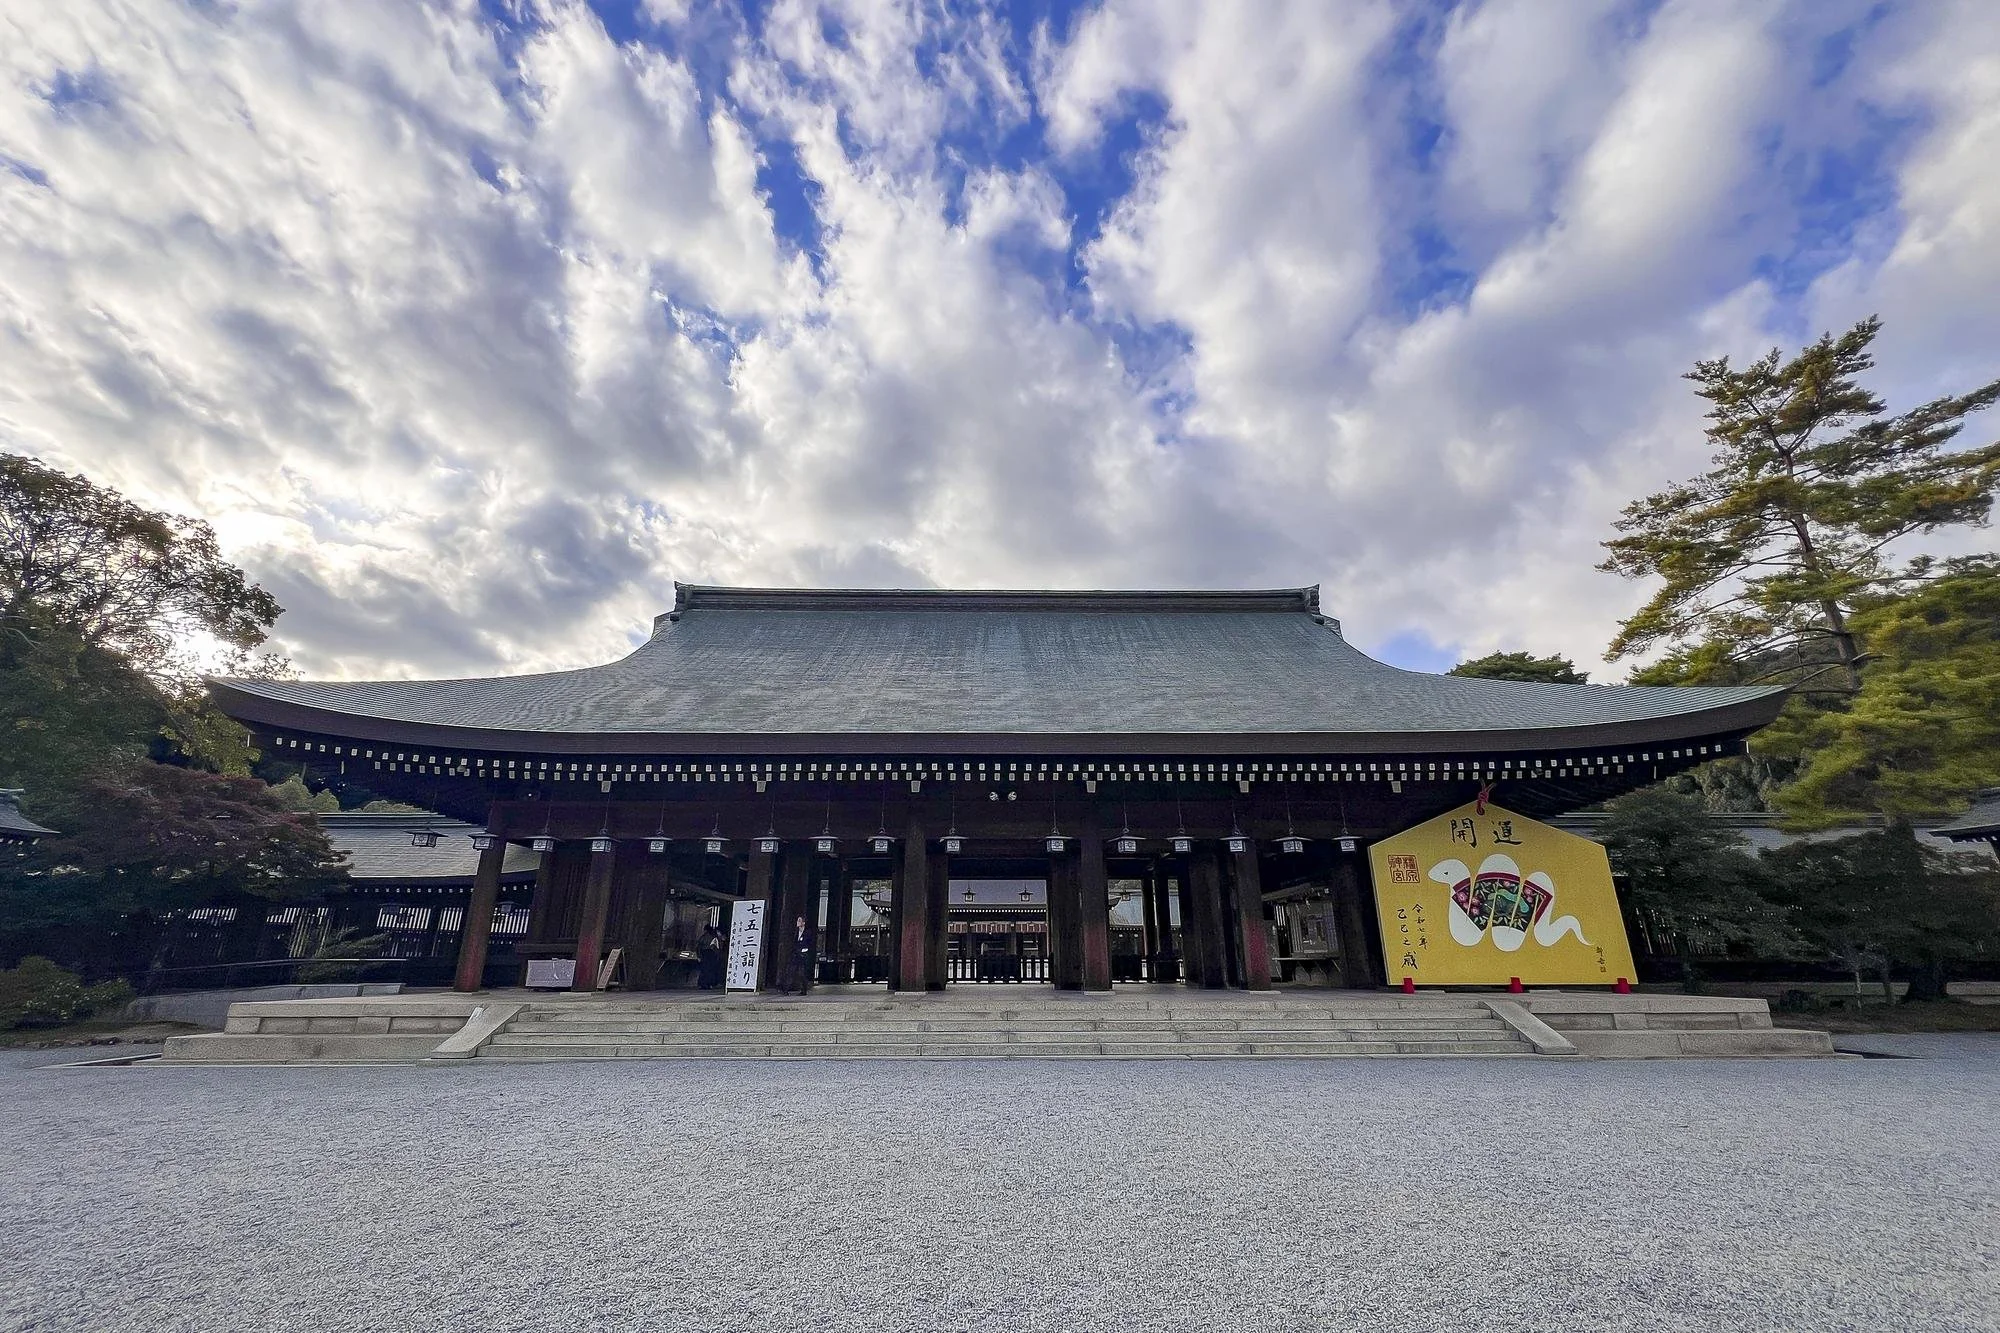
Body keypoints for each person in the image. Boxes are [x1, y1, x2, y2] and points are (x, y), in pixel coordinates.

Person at [791, 914, 815, 994]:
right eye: (797, 920)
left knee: (802, 973)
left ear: (803, 923)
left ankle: (804, 989)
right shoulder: (795, 932)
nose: (797, 922)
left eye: (799, 921)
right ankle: (786, 989)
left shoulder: (808, 932)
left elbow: (810, 944)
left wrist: (804, 950)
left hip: (803, 955)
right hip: (795, 954)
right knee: (791, 971)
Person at [696, 923, 725, 990]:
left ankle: (703, 984)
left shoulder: (704, 937)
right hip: (711, 954)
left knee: (705, 969)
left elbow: (699, 946)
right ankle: (708, 983)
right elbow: (717, 947)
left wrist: (699, 956)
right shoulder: (715, 937)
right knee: (710, 970)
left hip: (706, 953)